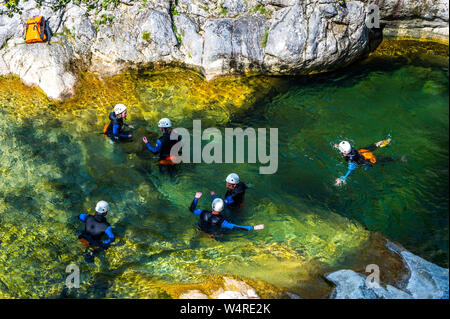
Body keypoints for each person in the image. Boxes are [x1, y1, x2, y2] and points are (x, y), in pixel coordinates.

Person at [189, 192, 264, 235]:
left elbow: (192, 209)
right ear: (222, 209)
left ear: (212, 205)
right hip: (212, 236)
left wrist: (196, 198)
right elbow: (237, 227)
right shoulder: (222, 222)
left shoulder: (202, 212)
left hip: (199, 230)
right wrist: (254, 227)